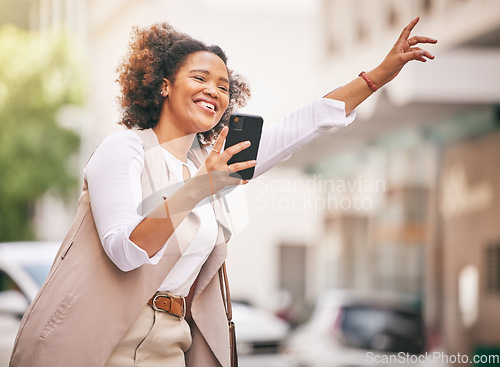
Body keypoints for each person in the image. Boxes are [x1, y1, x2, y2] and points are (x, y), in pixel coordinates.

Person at [10, 16, 436, 367]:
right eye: (200, 77)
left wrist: (378, 76)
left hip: (171, 346)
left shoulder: (211, 163)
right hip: (105, 340)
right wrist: (199, 188)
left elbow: (302, 124)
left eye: (223, 86)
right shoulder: (124, 150)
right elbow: (125, 250)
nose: (213, 90)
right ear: (163, 84)